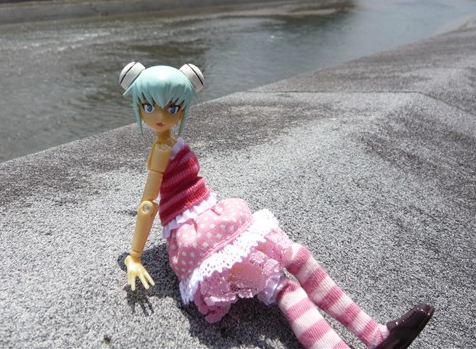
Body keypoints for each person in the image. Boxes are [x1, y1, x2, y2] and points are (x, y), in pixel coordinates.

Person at [120, 62, 433, 349]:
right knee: (282, 286)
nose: (160, 115)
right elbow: (148, 204)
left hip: (212, 219)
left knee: (295, 256)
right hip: (199, 238)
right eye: (149, 106)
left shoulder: (168, 143)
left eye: (173, 107)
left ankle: (377, 335)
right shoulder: (162, 149)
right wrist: (134, 256)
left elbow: (156, 199)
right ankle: (368, 338)